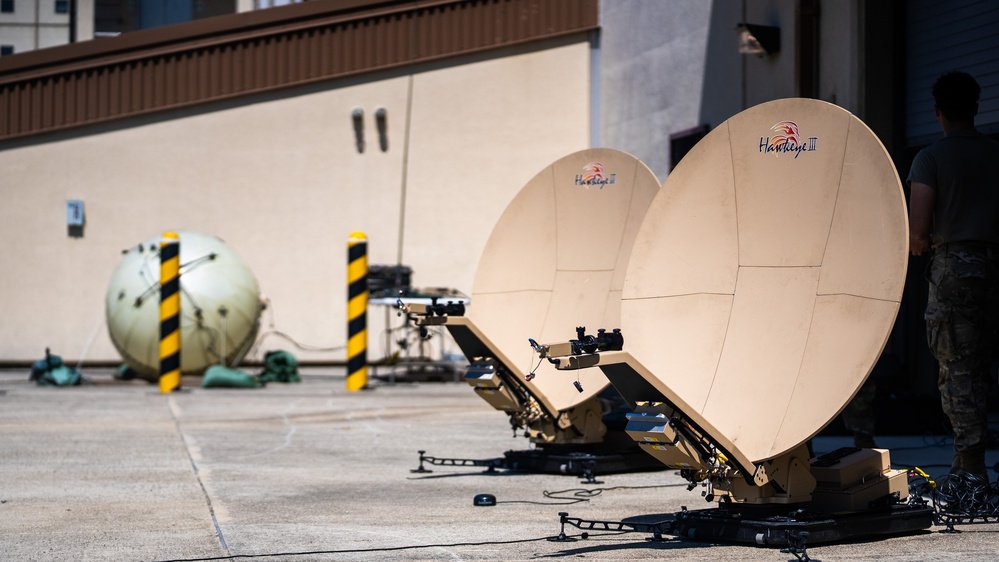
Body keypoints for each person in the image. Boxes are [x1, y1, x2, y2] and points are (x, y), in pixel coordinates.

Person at [908, 71, 999, 479]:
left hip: (954, 271)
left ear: (938, 111)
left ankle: (971, 469)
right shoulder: (996, 153)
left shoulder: (930, 159)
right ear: (976, 108)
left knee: (959, 368)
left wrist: (918, 245)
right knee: (985, 364)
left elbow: (918, 231)